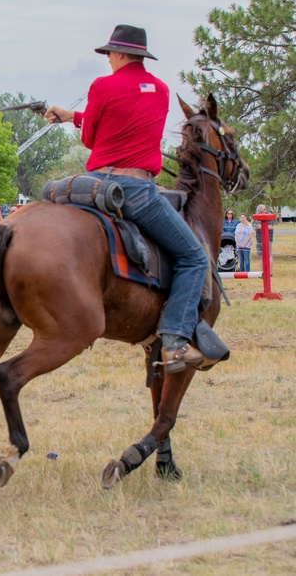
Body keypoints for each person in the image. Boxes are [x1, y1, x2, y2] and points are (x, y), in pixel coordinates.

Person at [44, 23, 208, 373]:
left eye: (108, 55)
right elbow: (126, 120)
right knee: (194, 257)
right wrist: (72, 116)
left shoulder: (102, 86)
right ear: (140, 55)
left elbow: (91, 138)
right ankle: (176, 341)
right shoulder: (161, 90)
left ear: (117, 54)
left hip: (93, 184)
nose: (108, 61)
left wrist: (78, 120)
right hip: (136, 189)